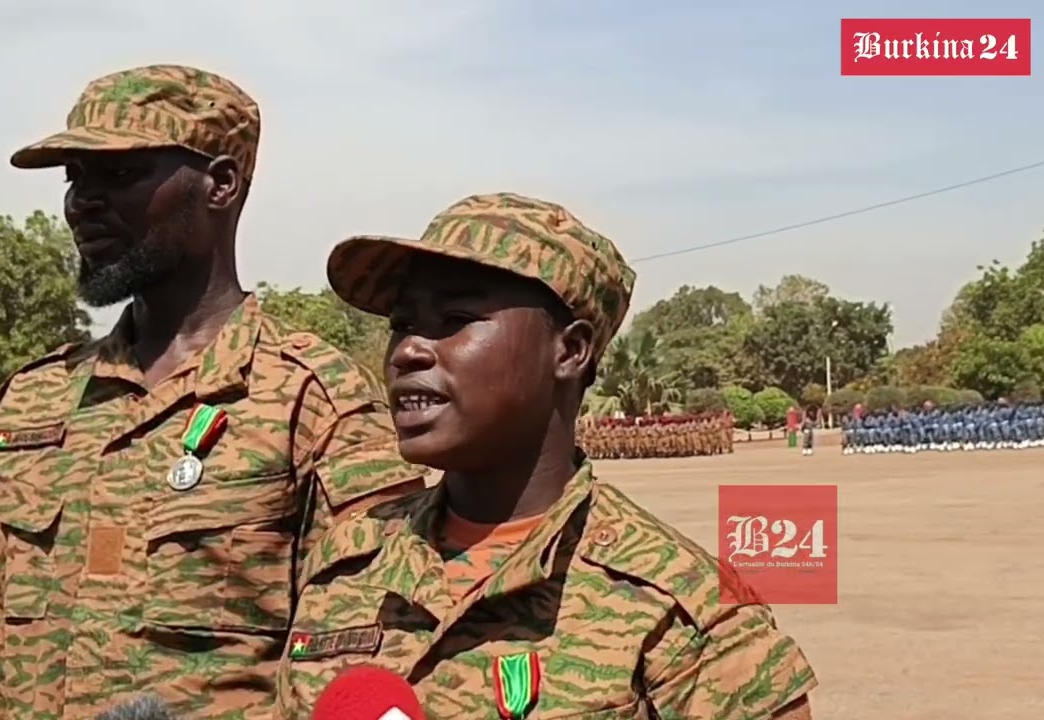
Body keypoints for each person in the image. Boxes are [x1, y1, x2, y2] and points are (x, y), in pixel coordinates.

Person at [0, 64, 427, 720]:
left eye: (119, 175)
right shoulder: (38, 402)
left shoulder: (316, 402)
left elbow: (362, 657)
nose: (81, 203)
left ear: (220, 184)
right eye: (75, 178)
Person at [275, 193, 817, 719]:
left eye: (456, 319)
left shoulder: (681, 614)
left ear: (570, 351)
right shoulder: (346, 561)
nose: (410, 350)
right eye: (402, 324)